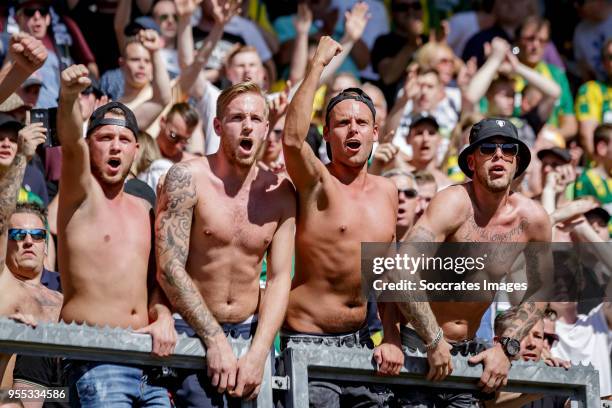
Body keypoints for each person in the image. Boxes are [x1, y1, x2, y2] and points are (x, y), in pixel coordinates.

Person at [380, 118, 552, 405]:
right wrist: (433, 339)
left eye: (508, 149)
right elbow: (399, 269)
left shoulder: (532, 220)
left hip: (468, 353)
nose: (499, 155)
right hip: (418, 345)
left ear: (516, 161)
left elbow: (541, 290)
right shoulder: (453, 204)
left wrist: (506, 349)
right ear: (471, 162)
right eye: (488, 149)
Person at [155, 81, 295, 405]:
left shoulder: (280, 193)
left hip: (249, 335)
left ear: (266, 128)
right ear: (217, 126)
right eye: (236, 118)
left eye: (256, 119)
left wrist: (259, 353)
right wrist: (214, 339)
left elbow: (278, 279)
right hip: (192, 330)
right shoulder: (187, 178)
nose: (247, 125)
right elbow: (168, 267)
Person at [281, 36, 399, 406]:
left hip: (362, 341)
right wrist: (317, 65)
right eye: (342, 123)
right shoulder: (316, 183)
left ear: (375, 133)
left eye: (362, 123)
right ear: (328, 133)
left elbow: (389, 273)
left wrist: (393, 337)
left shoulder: (387, 191)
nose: (353, 130)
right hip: (307, 341)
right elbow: (292, 139)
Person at [56, 64, 176, 407]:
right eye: (105, 138)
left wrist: (164, 315)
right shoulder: (79, 195)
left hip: (149, 364)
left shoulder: (144, 208)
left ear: (136, 149)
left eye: (123, 140)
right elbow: (69, 143)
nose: (114, 147)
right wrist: (67, 97)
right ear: (89, 144)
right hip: (97, 359)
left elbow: (158, 283)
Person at [137, 102, 200, 191]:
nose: (178, 147)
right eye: (174, 136)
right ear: (163, 122)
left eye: (184, 141)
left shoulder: (191, 164)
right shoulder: (141, 150)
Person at [575, 39, 612, 156]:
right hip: (602, 169)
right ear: (604, 63)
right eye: (611, 57)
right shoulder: (591, 90)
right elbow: (588, 138)